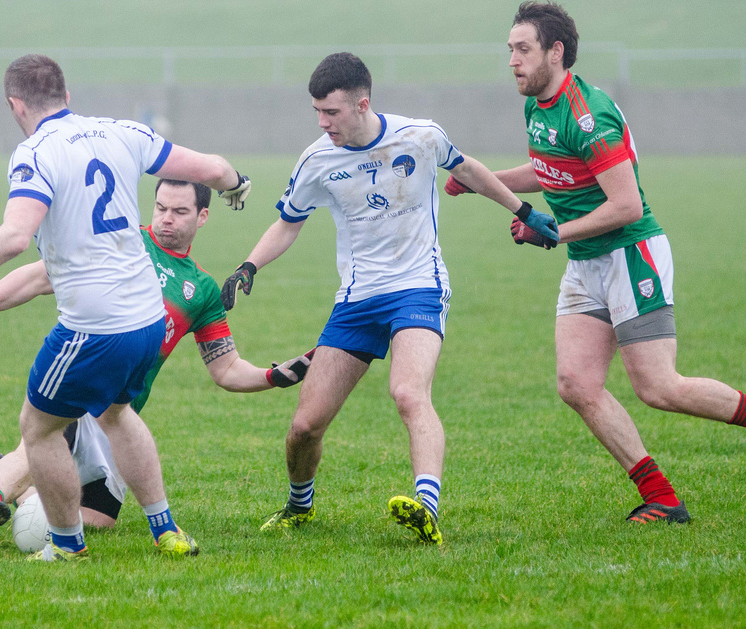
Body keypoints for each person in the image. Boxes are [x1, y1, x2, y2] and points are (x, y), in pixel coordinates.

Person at [446, 1, 746, 523]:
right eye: (509, 49)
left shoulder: (590, 114)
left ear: (555, 52)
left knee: (659, 388)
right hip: (587, 262)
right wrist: (484, 179)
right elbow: (551, 170)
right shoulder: (537, 104)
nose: (512, 60)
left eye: (523, 49)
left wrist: (551, 233)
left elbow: (625, 205)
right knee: (577, 385)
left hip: (631, 255)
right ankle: (662, 498)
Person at [0, 54, 253, 561]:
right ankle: (165, 530)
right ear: (67, 96)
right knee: (116, 412)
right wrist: (237, 184)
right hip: (149, 320)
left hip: (94, 326)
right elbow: (215, 169)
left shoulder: (34, 154)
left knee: (38, 429)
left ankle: (64, 546)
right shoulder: (122, 131)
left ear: (14, 105)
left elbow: (16, 236)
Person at [220, 52, 558, 544]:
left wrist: (524, 208)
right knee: (305, 426)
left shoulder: (419, 136)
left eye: (331, 112)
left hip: (419, 285)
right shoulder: (317, 160)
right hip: (358, 299)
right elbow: (288, 224)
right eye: (316, 111)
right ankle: (300, 505)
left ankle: (427, 506)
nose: (322, 122)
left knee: (408, 392)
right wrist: (249, 265)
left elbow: (470, 172)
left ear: (362, 104)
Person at [0, 179, 314, 536]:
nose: (166, 218)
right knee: (47, 433)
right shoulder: (120, 243)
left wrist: (274, 376)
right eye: (160, 207)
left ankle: (5, 481)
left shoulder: (201, 289)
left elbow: (226, 368)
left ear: (202, 216)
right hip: (88, 368)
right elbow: (37, 278)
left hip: (122, 411)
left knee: (98, 520)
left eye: (179, 211)